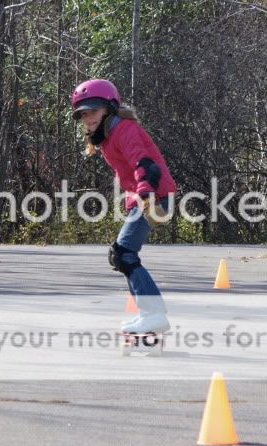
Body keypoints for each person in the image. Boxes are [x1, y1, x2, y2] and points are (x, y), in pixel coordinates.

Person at [71, 79, 177, 334]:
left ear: (109, 107)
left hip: (153, 194)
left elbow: (145, 165)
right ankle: (149, 314)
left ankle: (154, 314)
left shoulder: (124, 129)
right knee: (120, 255)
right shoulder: (108, 137)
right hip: (145, 195)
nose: (88, 119)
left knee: (124, 254)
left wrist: (144, 194)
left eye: (93, 111)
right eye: (83, 115)